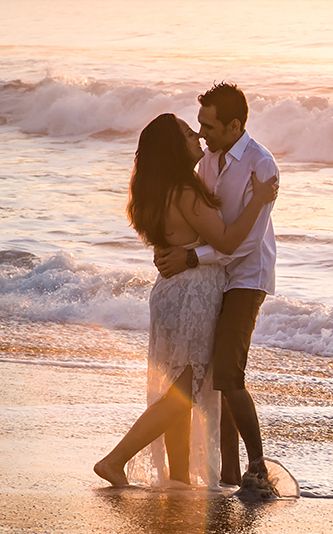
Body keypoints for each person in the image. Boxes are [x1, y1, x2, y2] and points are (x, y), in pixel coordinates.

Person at [94, 113, 278, 488]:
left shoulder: (153, 192)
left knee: (179, 385)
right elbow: (227, 241)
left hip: (169, 293)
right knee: (185, 389)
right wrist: (258, 201)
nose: (196, 135)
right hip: (193, 291)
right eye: (186, 132)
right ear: (174, 148)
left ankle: (179, 477)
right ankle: (115, 460)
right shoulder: (184, 191)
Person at [153, 83, 280, 491]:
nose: (201, 131)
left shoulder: (262, 167)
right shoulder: (208, 159)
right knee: (208, 380)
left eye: (208, 125)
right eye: (199, 124)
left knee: (227, 373)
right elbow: (192, 214)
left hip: (245, 278)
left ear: (234, 125)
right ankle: (227, 473)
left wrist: (191, 258)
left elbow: (241, 243)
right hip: (213, 278)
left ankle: (258, 466)